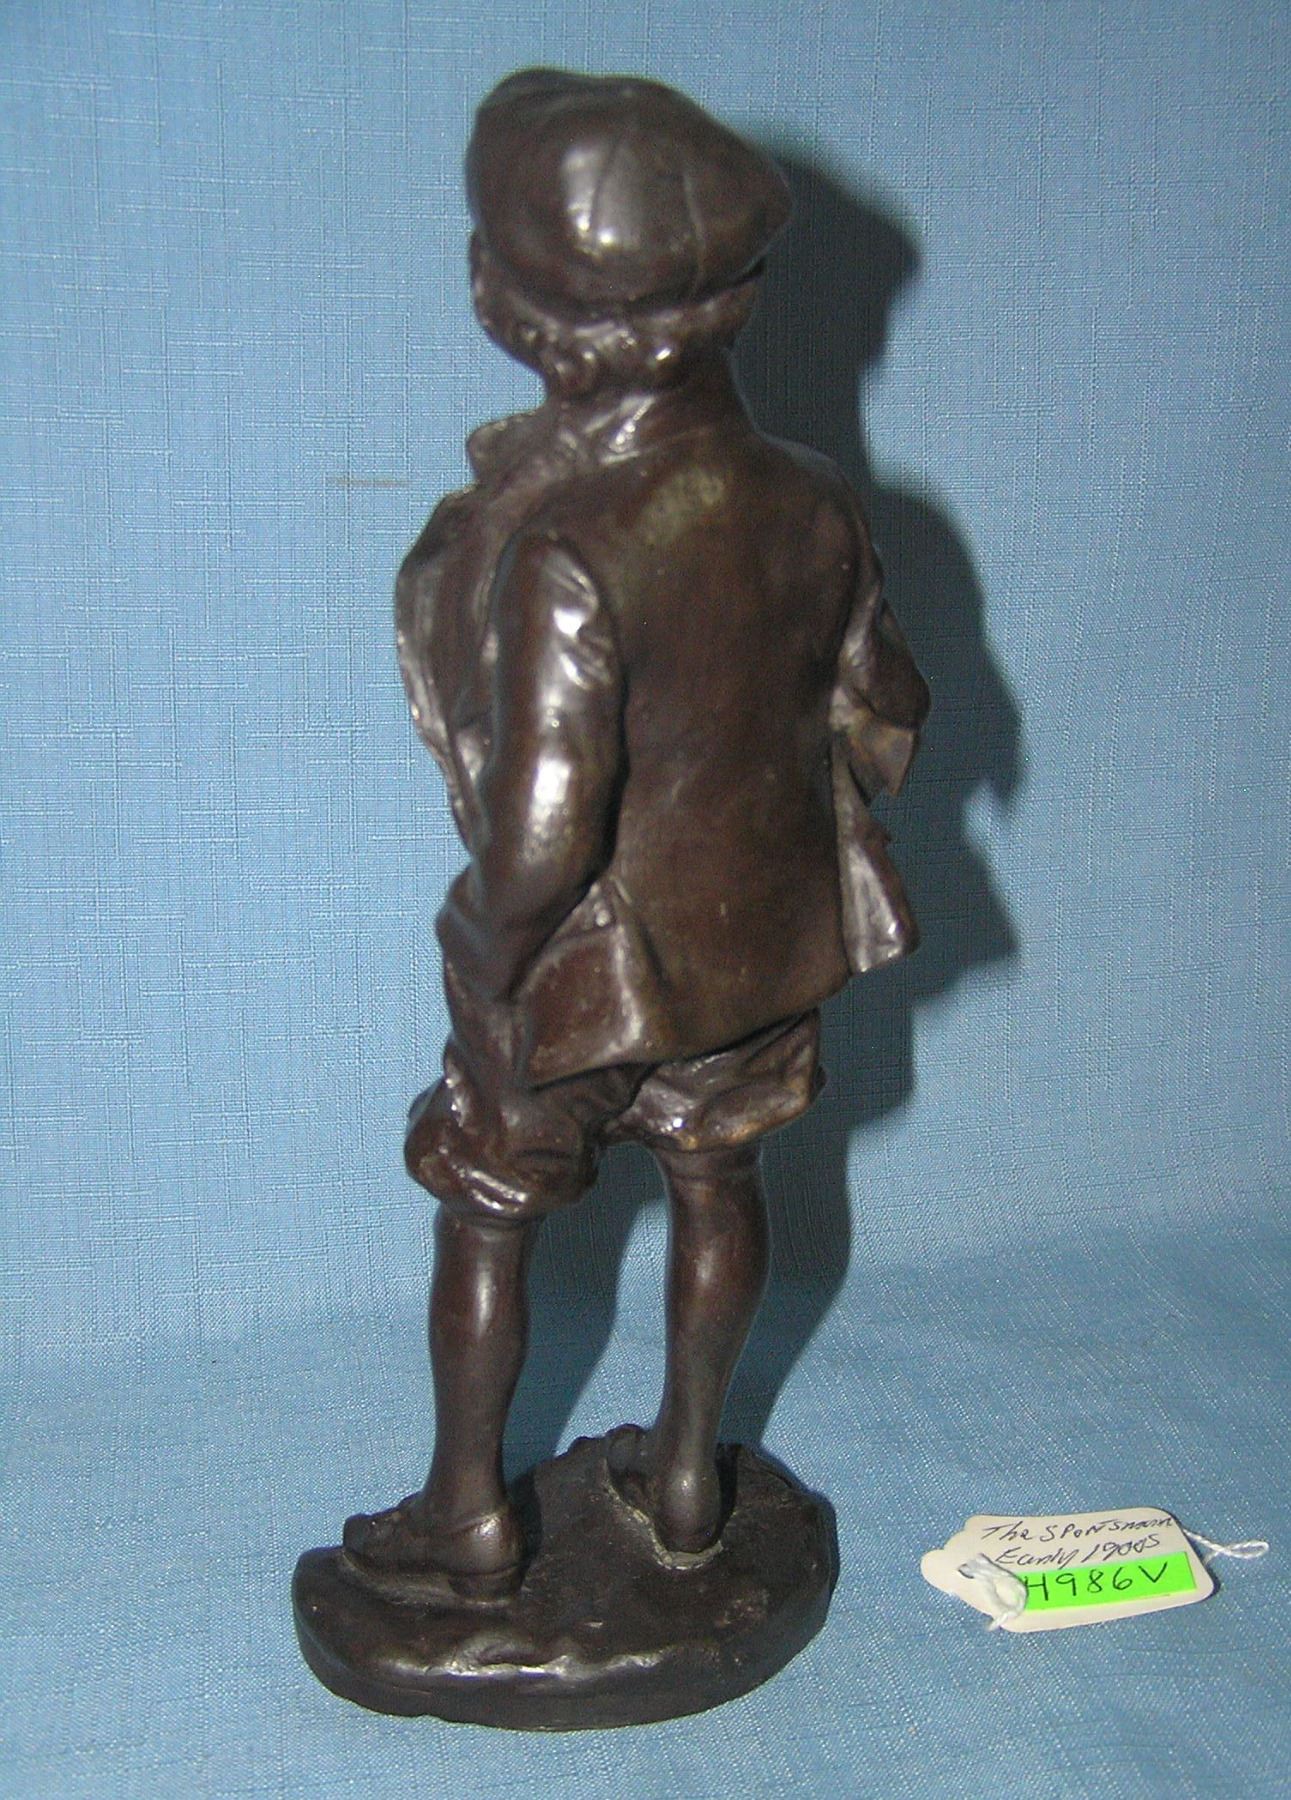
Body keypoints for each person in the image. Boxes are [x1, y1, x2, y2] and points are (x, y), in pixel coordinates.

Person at [342, 69, 930, 1602]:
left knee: (491, 1209)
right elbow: (890, 713)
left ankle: (466, 1512)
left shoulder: (566, 546)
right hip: (762, 945)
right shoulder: (815, 501)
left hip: (584, 970)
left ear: (529, 317)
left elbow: (544, 831)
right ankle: (685, 1474)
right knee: (720, 1183)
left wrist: (484, 951)